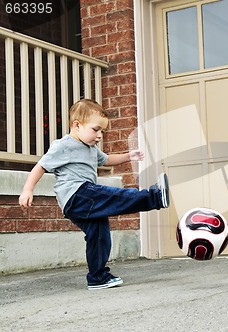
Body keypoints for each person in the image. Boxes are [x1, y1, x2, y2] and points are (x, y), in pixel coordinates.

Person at [19, 99, 170, 289]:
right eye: (96, 129)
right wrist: (27, 189)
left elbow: (106, 160)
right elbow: (40, 166)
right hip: (77, 194)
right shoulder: (63, 145)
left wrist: (128, 156)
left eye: (102, 132)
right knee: (114, 196)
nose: (99, 136)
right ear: (77, 125)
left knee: (99, 235)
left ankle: (98, 278)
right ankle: (155, 197)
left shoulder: (90, 148)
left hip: (82, 201)